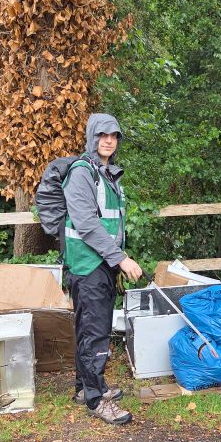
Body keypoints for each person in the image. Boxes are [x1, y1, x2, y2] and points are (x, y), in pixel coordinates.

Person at [62, 113, 142, 424]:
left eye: (114, 136)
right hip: (88, 265)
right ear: (92, 137)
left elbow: (109, 224)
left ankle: (85, 388)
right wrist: (120, 258)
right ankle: (97, 400)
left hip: (102, 263)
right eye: (102, 135)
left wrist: (117, 256)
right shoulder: (82, 173)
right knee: (95, 334)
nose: (109, 140)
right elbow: (86, 223)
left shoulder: (106, 174)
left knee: (90, 329)